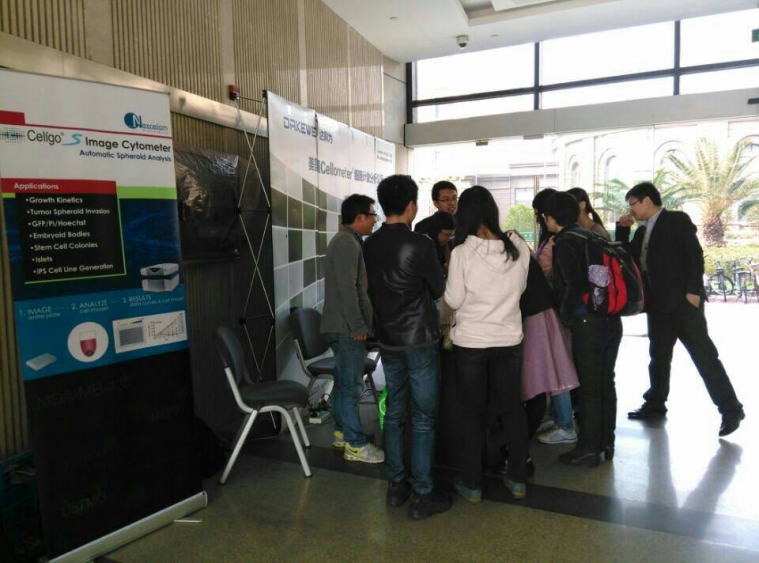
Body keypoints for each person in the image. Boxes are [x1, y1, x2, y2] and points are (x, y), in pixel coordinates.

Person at [617, 182, 745, 436]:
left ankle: (731, 410)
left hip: (683, 305)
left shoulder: (676, 220)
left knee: (704, 357)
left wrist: (693, 292)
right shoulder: (642, 231)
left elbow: (694, 255)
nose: (631, 210)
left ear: (646, 201)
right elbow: (626, 256)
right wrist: (622, 230)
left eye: (632, 204)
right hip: (658, 306)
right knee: (658, 358)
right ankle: (655, 403)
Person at [363, 174, 451, 520]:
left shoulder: (369, 244)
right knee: (424, 416)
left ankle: (396, 486)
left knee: (395, 412)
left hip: (388, 338)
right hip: (420, 339)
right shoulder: (421, 244)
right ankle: (422, 494)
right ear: (412, 205)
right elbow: (438, 288)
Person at [444, 186, 531, 502]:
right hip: (509, 339)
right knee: (512, 409)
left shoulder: (461, 253)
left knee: (472, 412)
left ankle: (472, 484)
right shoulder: (517, 247)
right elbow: (521, 288)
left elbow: (454, 299)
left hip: (471, 343)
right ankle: (517, 480)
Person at [545, 192, 623, 467]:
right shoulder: (592, 235)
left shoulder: (566, 241)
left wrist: (565, 316)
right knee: (605, 382)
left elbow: (574, 285)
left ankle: (589, 447)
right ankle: (606, 441)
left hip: (588, 322)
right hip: (610, 318)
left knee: (589, 388)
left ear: (551, 218)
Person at [320, 194, 384, 464]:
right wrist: (358, 326)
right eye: (372, 215)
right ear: (359, 217)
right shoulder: (347, 242)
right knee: (350, 387)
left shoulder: (347, 240)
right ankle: (355, 445)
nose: (374, 221)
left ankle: (342, 432)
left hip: (341, 326)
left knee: (344, 383)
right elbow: (348, 289)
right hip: (347, 328)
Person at [531, 189, 578, 446]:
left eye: (541, 213)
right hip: (556, 311)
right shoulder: (559, 239)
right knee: (556, 368)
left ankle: (566, 424)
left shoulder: (561, 242)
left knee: (558, 369)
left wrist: (565, 315)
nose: (539, 217)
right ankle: (560, 418)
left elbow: (567, 283)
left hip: (556, 313)